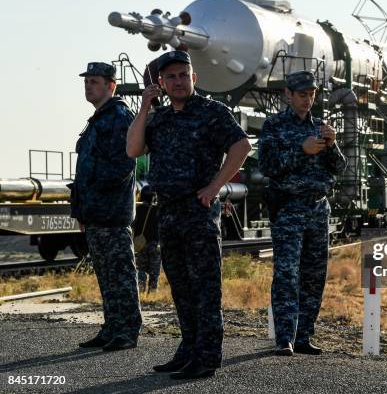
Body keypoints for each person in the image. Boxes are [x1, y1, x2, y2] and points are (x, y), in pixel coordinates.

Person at [126, 50, 251, 379]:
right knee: (181, 288)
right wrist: (143, 108)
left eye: (184, 75)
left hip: (198, 212)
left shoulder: (212, 112)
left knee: (205, 290)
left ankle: (207, 357)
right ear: (162, 84)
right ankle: (189, 348)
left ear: (194, 78)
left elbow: (241, 146)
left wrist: (214, 187)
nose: (178, 81)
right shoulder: (161, 118)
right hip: (168, 213)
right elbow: (133, 149)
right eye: (171, 77)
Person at [258, 70, 347, 356]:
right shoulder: (273, 126)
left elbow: (340, 167)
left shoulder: (321, 127)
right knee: (287, 273)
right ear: (288, 94)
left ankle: (304, 335)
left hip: (318, 208)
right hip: (289, 208)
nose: (307, 100)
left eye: (312, 95)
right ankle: (285, 337)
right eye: (302, 95)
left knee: (314, 274)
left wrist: (331, 146)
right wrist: (301, 149)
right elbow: (267, 166)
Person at [70, 62, 142, 351]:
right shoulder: (99, 118)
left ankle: (127, 330)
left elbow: (123, 164)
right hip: (96, 212)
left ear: (111, 86)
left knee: (121, 273)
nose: (88, 86)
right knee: (106, 274)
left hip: (112, 211)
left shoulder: (120, 116)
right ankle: (112, 327)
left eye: (95, 81)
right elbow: (84, 171)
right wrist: (82, 209)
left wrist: (95, 197)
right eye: (86, 81)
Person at [134, 184, 161, 293]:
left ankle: (141, 288)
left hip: (141, 243)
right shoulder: (158, 209)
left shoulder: (137, 209)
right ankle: (153, 290)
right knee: (155, 271)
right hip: (155, 243)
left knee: (141, 268)